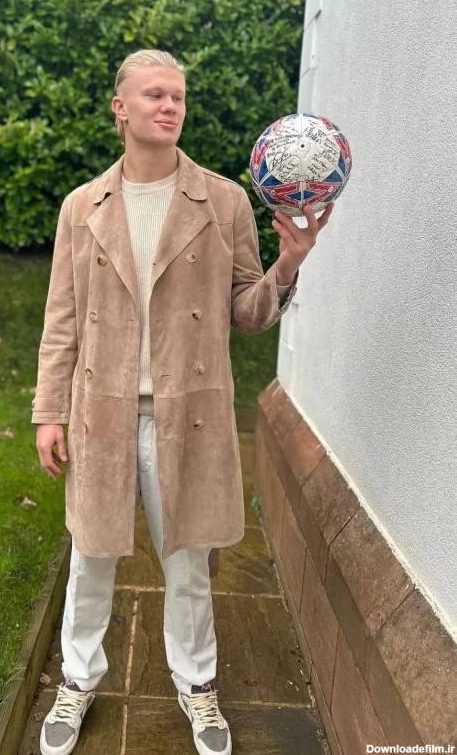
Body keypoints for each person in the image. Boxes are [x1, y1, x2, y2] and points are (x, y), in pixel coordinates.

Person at [32, 49, 333, 755]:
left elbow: (248, 312)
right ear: (121, 108)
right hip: (102, 412)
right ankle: (76, 678)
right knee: (90, 557)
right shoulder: (82, 207)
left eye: (178, 97)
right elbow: (62, 318)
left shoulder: (223, 201)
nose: (170, 106)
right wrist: (49, 411)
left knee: (189, 564)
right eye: (155, 95)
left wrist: (289, 262)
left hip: (189, 415)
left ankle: (198, 685)